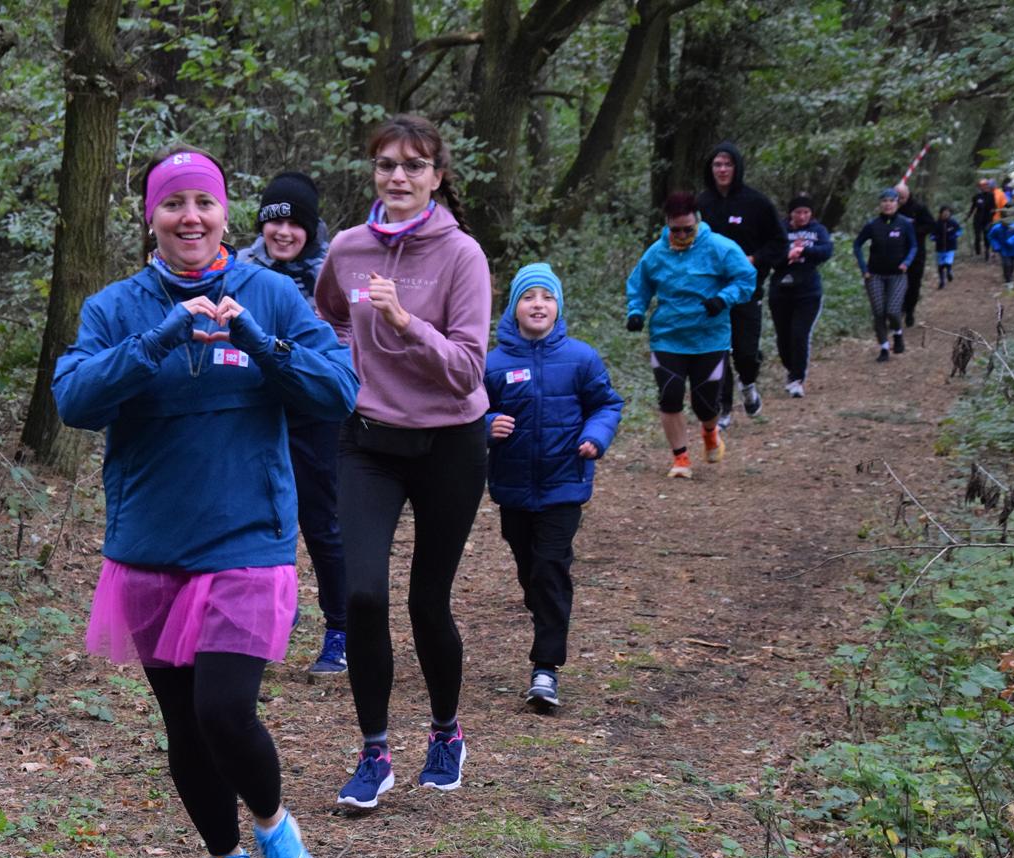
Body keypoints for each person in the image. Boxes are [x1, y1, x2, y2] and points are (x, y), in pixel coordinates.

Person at [54, 146, 358, 858]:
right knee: (183, 725)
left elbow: (336, 392)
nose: (190, 218)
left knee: (225, 709)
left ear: (226, 213)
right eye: (173, 204)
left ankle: (279, 836)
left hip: (247, 539)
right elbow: (74, 400)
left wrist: (256, 338)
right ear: (151, 217)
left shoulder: (273, 295)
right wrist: (157, 340)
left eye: (204, 203)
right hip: (150, 545)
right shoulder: (115, 307)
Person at [314, 114, 492, 809]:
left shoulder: (462, 256)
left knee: (426, 602)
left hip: (451, 442)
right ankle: (374, 751)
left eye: (414, 166)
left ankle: (446, 734)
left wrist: (403, 325)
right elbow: (325, 314)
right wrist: (343, 364)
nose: (397, 177)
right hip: (368, 442)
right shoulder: (350, 248)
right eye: (386, 164)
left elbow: (469, 367)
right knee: (361, 595)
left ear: (436, 177)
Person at [483, 264, 622, 711]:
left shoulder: (581, 358)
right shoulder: (493, 362)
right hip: (513, 488)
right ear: (514, 308)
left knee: (550, 568)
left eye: (546, 296)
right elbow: (466, 411)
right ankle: (546, 611)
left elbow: (606, 404)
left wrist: (596, 437)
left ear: (558, 306)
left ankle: (545, 667)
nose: (538, 304)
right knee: (532, 571)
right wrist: (487, 424)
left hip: (565, 484)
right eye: (528, 296)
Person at [243, 171, 349, 676]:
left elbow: (348, 344)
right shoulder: (239, 268)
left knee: (320, 521)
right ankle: (269, 618)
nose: (283, 233)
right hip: (254, 408)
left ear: (311, 227)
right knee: (258, 519)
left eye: (294, 224)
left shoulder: (334, 272)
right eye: (273, 222)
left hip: (312, 412)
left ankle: (340, 630)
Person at [625, 191, 756, 479]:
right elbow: (639, 285)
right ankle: (681, 458)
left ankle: (710, 432)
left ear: (697, 221)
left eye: (688, 229)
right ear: (667, 225)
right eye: (676, 230)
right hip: (668, 336)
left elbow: (746, 278)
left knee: (705, 404)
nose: (682, 235)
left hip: (710, 338)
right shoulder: (656, 253)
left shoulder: (720, 248)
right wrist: (635, 311)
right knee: (670, 396)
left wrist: (723, 299)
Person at [695, 141, 787, 427]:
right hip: (711, 291)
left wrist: (755, 259)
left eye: (727, 164)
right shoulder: (702, 204)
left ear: (737, 167)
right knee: (717, 351)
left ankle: (748, 385)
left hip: (747, 289)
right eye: (717, 165)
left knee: (745, 352)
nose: (722, 170)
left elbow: (780, 243)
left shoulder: (756, 203)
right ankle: (724, 409)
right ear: (710, 169)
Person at [766, 195, 834, 398]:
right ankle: (791, 369)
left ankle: (797, 379)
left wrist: (804, 249)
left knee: (799, 334)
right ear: (791, 213)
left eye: (806, 212)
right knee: (783, 338)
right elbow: (768, 255)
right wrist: (787, 254)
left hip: (809, 292)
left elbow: (827, 250)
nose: (803, 216)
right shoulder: (780, 229)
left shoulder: (817, 230)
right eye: (798, 212)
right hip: (781, 290)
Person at [853, 187, 918, 362]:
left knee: (893, 311)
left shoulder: (905, 223)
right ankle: (883, 348)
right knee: (878, 312)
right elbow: (857, 245)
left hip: (897, 275)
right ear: (880, 204)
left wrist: (907, 262)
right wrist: (863, 268)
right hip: (874, 275)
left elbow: (914, 245)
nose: (888, 204)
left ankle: (897, 333)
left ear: (897, 203)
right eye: (884, 201)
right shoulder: (872, 225)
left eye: (891, 201)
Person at [894, 181, 934, 328]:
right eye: (897, 197)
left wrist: (913, 231)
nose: (899, 200)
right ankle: (897, 311)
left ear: (908, 194)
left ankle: (910, 310)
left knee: (913, 284)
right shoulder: (892, 208)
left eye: (902, 197)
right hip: (896, 253)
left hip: (916, 253)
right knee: (896, 283)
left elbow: (931, 225)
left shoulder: (919, 208)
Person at [987, 215, 1014, 283]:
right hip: (1003, 248)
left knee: (1012, 264)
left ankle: (1010, 275)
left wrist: (1013, 239)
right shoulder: (997, 228)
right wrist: (996, 246)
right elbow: (991, 236)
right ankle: (1008, 280)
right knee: (1006, 263)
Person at [933, 206, 962, 289]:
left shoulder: (953, 222)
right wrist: (933, 237)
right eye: (944, 212)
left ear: (950, 213)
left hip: (951, 246)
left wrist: (955, 235)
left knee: (948, 262)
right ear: (940, 213)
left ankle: (949, 272)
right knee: (940, 265)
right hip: (939, 247)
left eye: (947, 212)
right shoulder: (937, 223)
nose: (946, 214)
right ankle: (941, 281)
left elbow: (959, 230)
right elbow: (932, 233)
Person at [968, 179, 997, 259]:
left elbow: (994, 208)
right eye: (982, 186)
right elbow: (973, 207)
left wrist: (991, 216)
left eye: (986, 185)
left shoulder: (991, 196)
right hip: (977, 219)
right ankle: (978, 252)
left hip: (987, 219)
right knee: (977, 236)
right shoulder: (976, 197)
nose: (984, 187)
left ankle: (987, 250)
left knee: (986, 235)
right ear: (980, 187)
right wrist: (968, 216)